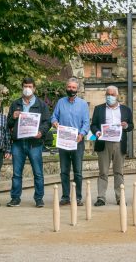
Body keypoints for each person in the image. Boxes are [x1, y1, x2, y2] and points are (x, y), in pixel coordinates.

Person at [6, 78, 50, 208]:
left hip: (34, 144)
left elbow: (47, 122)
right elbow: (8, 123)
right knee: (16, 173)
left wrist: (41, 132)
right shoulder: (15, 104)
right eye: (25, 86)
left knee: (38, 172)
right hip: (18, 143)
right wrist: (13, 117)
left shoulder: (41, 105)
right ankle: (15, 198)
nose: (27, 88)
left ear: (34, 88)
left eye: (30, 86)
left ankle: (39, 198)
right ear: (22, 87)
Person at [90, 86, 134, 206]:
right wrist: (97, 132)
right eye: (108, 94)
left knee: (118, 171)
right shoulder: (99, 109)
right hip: (103, 143)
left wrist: (125, 126)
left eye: (112, 94)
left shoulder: (126, 110)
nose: (110, 96)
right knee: (103, 171)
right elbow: (93, 125)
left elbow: (131, 126)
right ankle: (101, 197)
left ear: (117, 96)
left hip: (119, 143)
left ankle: (120, 197)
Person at [51, 78, 89, 206]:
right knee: (64, 171)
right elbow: (54, 116)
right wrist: (54, 122)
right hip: (64, 141)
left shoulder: (83, 104)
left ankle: (78, 197)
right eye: (69, 87)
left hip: (77, 141)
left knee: (78, 171)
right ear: (66, 87)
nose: (71, 89)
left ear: (77, 89)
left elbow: (86, 123)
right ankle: (65, 196)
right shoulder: (60, 102)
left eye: (73, 87)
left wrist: (82, 134)